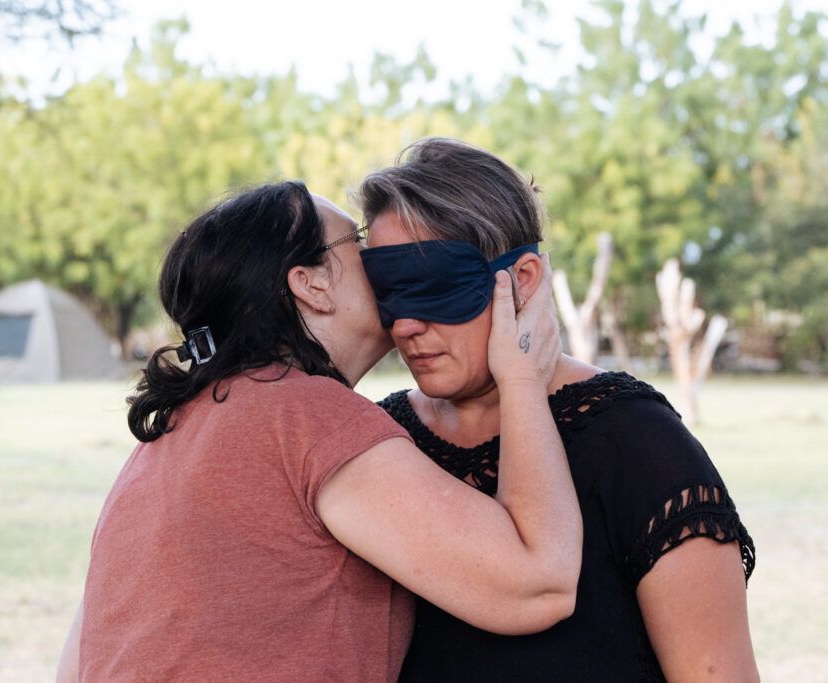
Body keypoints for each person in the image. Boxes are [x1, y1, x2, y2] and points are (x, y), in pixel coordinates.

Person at [56, 180, 582, 682]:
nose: (378, 257)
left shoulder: (172, 433)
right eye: (355, 241)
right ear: (310, 284)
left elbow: (79, 665)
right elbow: (538, 585)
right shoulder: (303, 415)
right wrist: (521, 379)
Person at [357, 138, 759, 682]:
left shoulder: (635, 440)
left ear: (522, 280)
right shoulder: (378, 446)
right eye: (388, 291)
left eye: (434, 287)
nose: (405, 324)